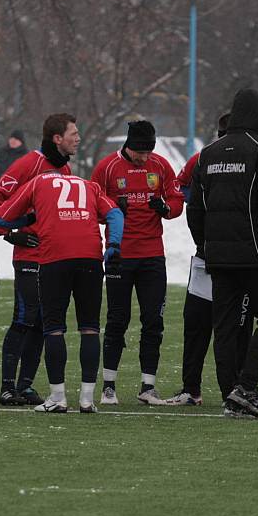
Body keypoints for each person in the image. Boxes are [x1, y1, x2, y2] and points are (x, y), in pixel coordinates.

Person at [186, 88, 258, 419]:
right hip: (257, 255)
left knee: (226, 325)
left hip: (218, 257)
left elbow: (195, 208)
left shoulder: (207, 154)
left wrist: (204, 245)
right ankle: (246, 387)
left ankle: (230, 396)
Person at [0, 171, 123, 413]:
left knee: (53, 328)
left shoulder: (37, 182)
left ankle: (58, 397)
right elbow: (115, 214)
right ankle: (87, 399)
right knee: (90, 327)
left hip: (55, 258)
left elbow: (1, 218)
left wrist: (30, 219)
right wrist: (114, 243)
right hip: (91, 258)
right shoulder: (89, 185)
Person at [0, 114, 79, 406]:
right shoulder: (30, 163)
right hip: (28, 255)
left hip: (52, 257)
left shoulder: (64, 167)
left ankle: (25, 386)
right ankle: (6, 387)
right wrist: (11, 232)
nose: (78, 138)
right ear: (57, 138)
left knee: (42, 321)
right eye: (73, 133)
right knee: (24, 318)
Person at [90, 119, 183, 406]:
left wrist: (166, 209)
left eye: (149, 152)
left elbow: (176, 200)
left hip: (152, 255)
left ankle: (148, 386)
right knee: (117, 320)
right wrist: (113, 209)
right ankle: (108, 387)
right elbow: (93, 206)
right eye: (140, 152)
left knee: (153, 321)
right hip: (120, 255)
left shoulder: (161, 166)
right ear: (129, 146)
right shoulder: (106, 167)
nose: (145, 158)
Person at [164, 113, 252, 407]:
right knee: (203, 324)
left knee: (226, 327)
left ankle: (233, 387)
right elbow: (180, 187)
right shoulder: (203, 159)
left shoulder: (253, 157)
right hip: (218, 259)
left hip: (231, 259)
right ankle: (200, 388)